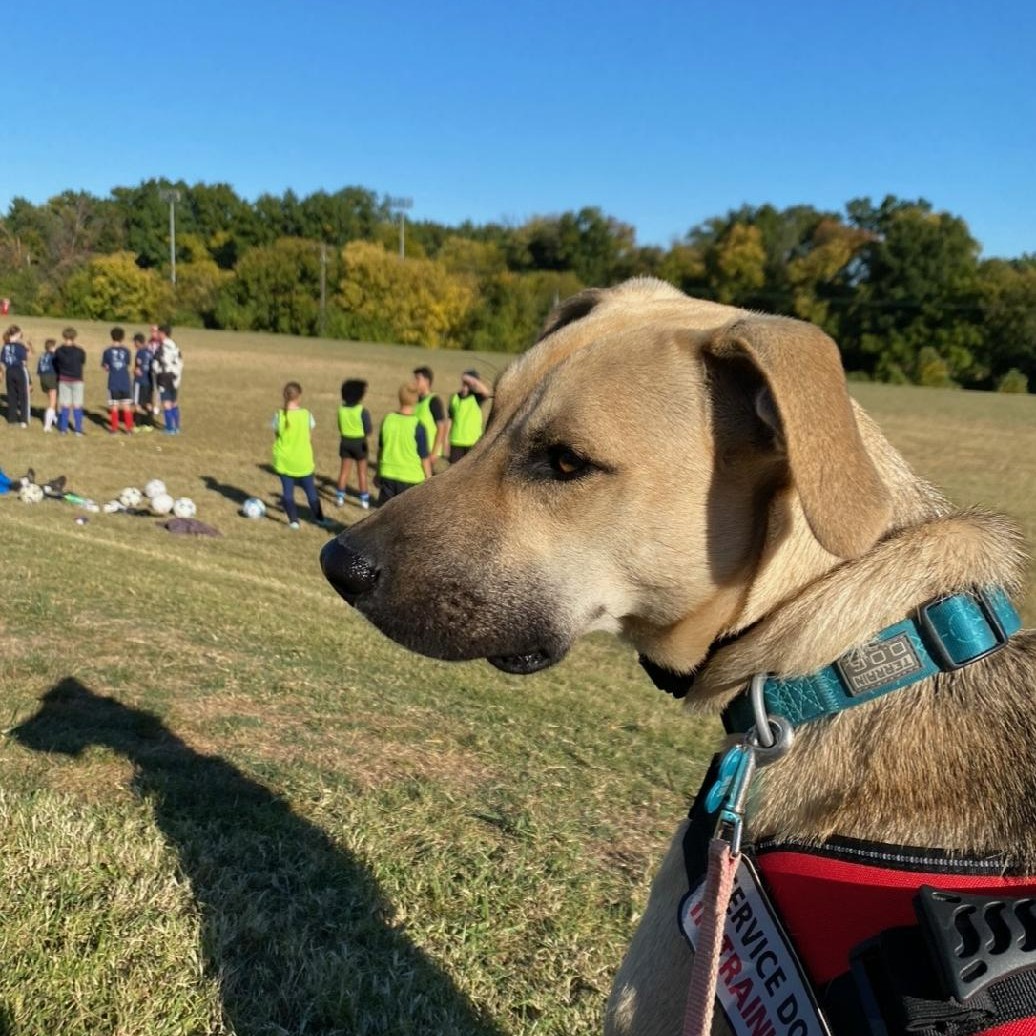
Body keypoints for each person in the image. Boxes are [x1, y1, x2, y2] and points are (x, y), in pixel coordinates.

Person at [271, 381, 329, 530]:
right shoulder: (306, 415)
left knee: (287, 494)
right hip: (303, 461)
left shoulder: (279, 415)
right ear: (299, 397)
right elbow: (309, 435)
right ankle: (319, 518)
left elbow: (277, 434)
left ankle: (294, 521)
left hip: (284, 461)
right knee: (311, 493)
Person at [377, 382, 432, 504]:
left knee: (386, 519)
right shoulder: (417, 425)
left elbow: (381, 450)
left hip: (388, 475)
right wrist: (429, 481)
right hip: (411, 479)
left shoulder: (388, 419)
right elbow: (424, 458)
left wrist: (378, 472)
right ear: (415, 400)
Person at [335, 378, 372, 509]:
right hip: (360, 443)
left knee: (344, 471)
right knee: (361, 473)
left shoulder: (341, 410)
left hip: (345, 442)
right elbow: (368, 429)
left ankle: (339, 498)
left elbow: (340, 426)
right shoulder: (362, 411)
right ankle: (364, 501)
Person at [446, 369, 493, 463]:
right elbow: (449, 420)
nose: (466, 384)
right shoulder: (454, 397)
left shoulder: (477, 397)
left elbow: (487, 392)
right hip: (456, 441)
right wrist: (445, 440)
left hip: (473, 442)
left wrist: (473, 380)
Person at [53, 327, 87, 435]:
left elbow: (56, 363)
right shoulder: (80, 351)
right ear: (74, 337)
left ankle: (63, 428)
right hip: (77, 379)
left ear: (64, 336)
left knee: (65, 404)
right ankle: (78, 429)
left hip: (64, 379)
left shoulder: (58, 351)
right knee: (77, 405)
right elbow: (82, 362)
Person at [102, 327, 135, 434]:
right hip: (125, 381)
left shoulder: (107, 351)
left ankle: (114, 429)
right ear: (123, 337)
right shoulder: (127, 351)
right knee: (126, 406)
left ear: (111, 337)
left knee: (114, 406)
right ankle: (129, 429)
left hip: (113, 382)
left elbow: (106, 367)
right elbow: (128, 364)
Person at [413, 366, 448, 464]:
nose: (415, 382)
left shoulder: (434, 401)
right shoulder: (415, 400)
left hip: (428, 452)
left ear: (427, 381)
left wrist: (434, 453)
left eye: (417, 379)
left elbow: (441, 428)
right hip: (416, 449)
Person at [154, 324, 183, 434]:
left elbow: (157, 361)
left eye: (158, 333)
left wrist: (156, 370)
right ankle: (177, 426)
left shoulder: (162, 347)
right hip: (175, 376)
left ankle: (170, 428)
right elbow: (180, 360)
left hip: (164, 376)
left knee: (166, 402)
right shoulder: (175, 346)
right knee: (174, 402)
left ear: (162, 333)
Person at [1, 325, 32, 427]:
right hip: (19, 370)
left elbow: (2, 362)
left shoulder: (5, 347)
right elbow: (24, 361)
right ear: (17, 334)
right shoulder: (20, 347)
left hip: (9, 372)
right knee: (23, 396)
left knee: (12, 395)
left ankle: (12, 419)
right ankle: (23, 420)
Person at [132, 331, 155, 426]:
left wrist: (134, 371)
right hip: (149, 381)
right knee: (148, 403)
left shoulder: (139, 352)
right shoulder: (150, 352)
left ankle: (137, 425)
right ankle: (150, 424)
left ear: (137, 342)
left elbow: (138, 369)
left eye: (134, 342)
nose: (134, 344)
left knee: (137, 404)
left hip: (140, 382)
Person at [37, 338, 58, 431]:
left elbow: (39, 369)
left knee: (52, 399)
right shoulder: (54, 355)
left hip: (43, 378)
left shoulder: (42, 356)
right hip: (51, 376)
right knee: (52, 402)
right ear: (52, 347)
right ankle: (47, 425)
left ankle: (55, 418)